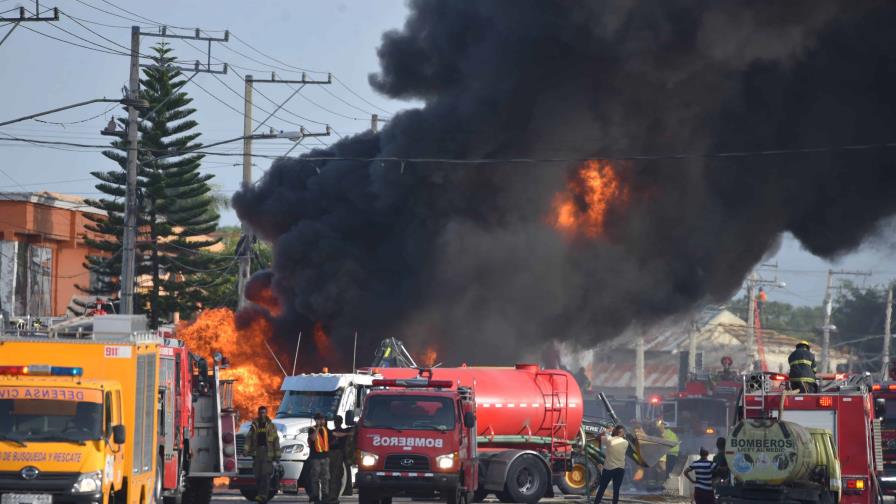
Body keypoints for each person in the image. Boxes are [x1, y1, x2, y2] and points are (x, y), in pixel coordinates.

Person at [308, 413, 351, 504]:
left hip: (325, 458)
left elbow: (336, 434)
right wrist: (318, 428)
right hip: (315, 458)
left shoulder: (326, 430)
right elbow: (313, 438)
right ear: (316, 420)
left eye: (323, 419)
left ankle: (325, 496)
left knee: (326, 478)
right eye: (320, 419)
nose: (322, 421)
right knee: (315, 478)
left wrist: (347, 433)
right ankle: (315, 497)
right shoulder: (312, 429)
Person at [244, 406, 281, 503]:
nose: (262, 414)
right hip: (257, 454)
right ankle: (261, 495)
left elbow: (276, 441)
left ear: (266, 413)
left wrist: (277, 456)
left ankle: (263, 496)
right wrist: (245, 450)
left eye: (264, 412)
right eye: (260, 413)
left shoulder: (271, 426)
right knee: (258, 475)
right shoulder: (254, 425)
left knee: (265, 475)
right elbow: (249, 438)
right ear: (258, 413)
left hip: (267, 453)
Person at [594, 425, 629, 504]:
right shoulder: (625, 443)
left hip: (608, 469)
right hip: (620, 469)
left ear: (615, 432)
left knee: (602, 488)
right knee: (616, 490)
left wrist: (608, 430)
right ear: (623, 433)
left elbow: (597, 438)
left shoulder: (609, 440)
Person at [326, 415, 354, 503]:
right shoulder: (332, 432)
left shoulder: (345, 430)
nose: (337, 423)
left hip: (341, 455)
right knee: (334, 476)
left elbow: (354, 429)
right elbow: (336, 435)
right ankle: (332, 496)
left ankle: (336, 495)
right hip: (333, 454)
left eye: (338, 421)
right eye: (336, 421)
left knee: (338, 476)